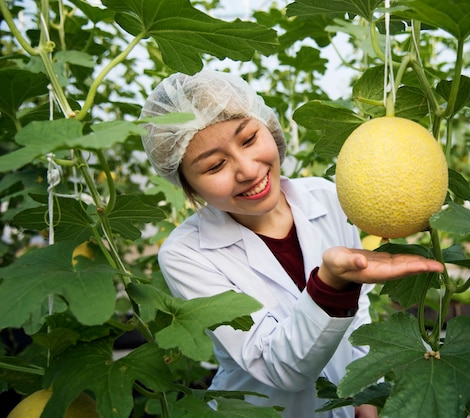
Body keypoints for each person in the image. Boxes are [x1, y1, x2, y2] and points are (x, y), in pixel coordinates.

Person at [139, 69, 444, 418]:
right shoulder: (185, 254)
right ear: (189, 187)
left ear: (267, 127)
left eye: (250, 139)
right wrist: (331, 285)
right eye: (215, 165)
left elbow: (356, 314)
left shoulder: (330, 197)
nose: (248, 170)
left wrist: (362, 396)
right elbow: (278, 369)